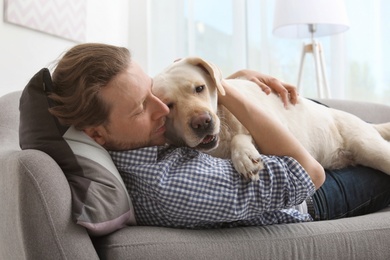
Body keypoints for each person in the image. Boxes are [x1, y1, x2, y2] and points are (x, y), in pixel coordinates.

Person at [49, 43, 390, 229]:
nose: (164, 112)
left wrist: (225, 81)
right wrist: (229, 92)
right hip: (312, 186)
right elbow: (309, 173)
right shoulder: (174, 186)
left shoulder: (140, 138)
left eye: (154, 95)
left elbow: (195, 106)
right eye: (142, 107)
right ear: (97, 133)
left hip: (298, 120)